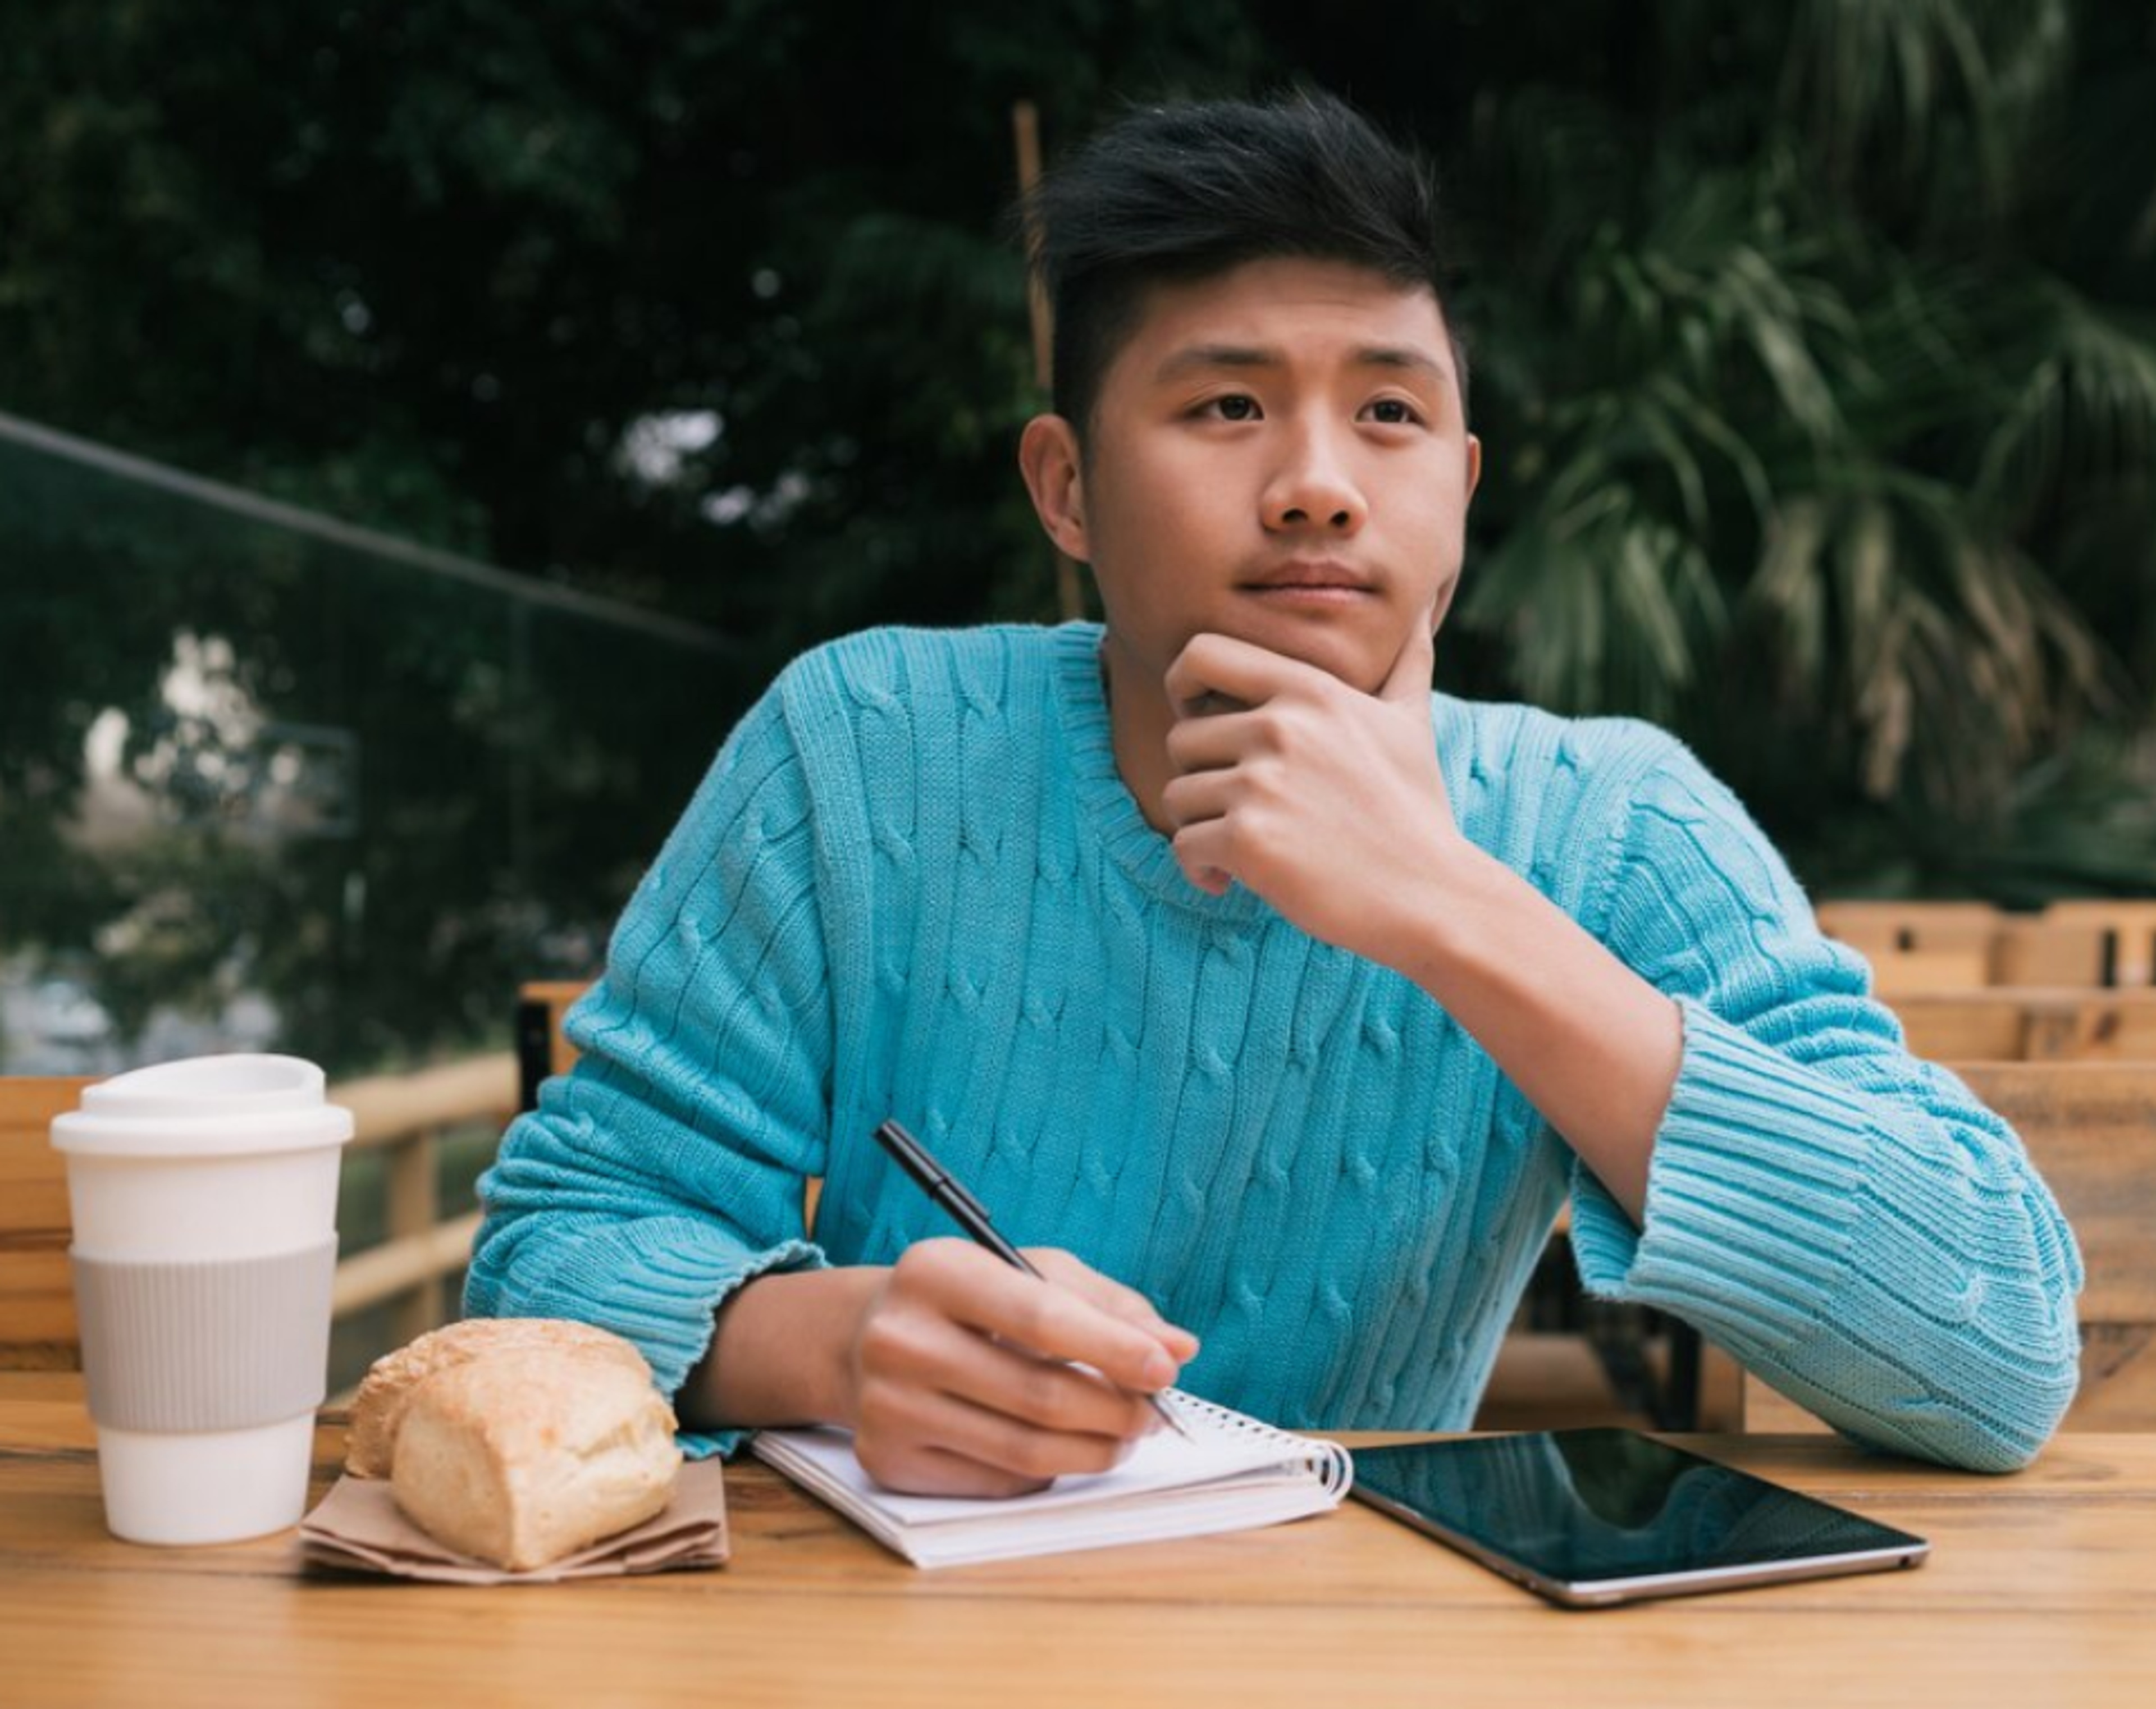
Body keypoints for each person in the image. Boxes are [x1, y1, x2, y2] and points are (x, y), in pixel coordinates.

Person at [467, 90, 2082, 1494]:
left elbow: (2001, 1347)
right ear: (1067, 488)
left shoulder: (1612, 825)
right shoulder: (864, 747)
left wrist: (1449, 904)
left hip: (1366, 1639)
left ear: (1459, 487)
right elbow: (550, 1252)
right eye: (1227, 405)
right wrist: (823, 1340)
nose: (1318, 483)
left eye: (1390, 413)